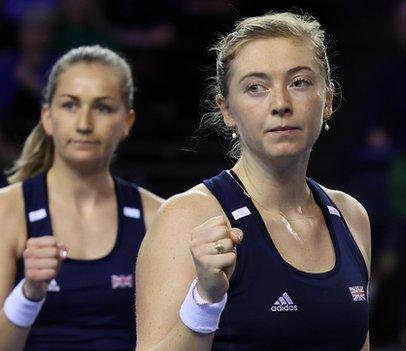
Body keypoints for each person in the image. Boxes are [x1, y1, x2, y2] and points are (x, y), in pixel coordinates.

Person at [136, 12, 371, 350]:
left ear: (328, 100)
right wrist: (204, 300)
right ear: (227, 110)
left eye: (299, 82)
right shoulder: (186, 217)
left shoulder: (351, 216)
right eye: (256, 88)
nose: (280, 104)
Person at [0, 45, 163, 351]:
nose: (84, 124)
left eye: (103, 108)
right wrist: (28, 294)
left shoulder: (158, 216)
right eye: (70, 105)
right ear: (47, 116)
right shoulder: (2, 209)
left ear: (127, 122)